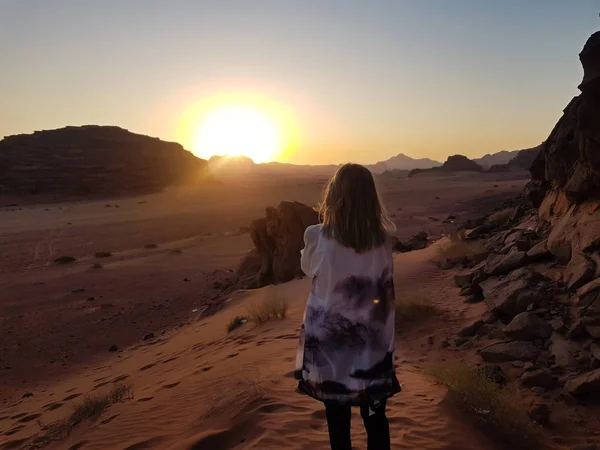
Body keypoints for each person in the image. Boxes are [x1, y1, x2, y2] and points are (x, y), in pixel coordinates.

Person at [295, 163, 401, 450]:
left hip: (330, 339)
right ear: (370, 197)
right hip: (374, 340)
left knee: (337, 416)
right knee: (375, 416)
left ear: (335, 193)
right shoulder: (383, 237)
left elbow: (307, 269)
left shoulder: (316, 234)